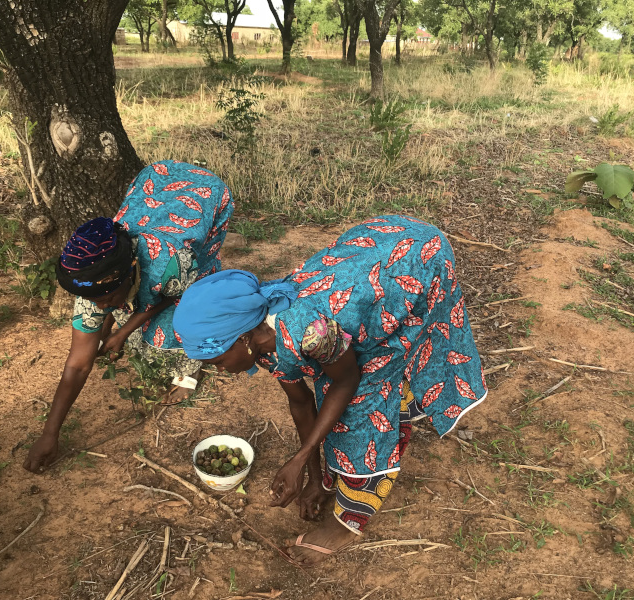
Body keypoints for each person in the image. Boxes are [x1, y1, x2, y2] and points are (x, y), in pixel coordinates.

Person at [173, 215, 487, 565]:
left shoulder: (312, 331)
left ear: (243, 338)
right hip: (371, 256)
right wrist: (314, 476)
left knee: (357, 423)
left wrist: (301, 455)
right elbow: (301, 403)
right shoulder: (262, 340)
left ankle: (348, 522)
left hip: (416, 257)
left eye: (215, 359)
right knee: (342, 394)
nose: (216, 368)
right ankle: (338, 477)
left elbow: (345, 381)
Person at [23, 160, 234, 474]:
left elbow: (177, 295)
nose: (102, 305)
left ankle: (188, 373)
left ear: (131, 272)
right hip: (156, 180)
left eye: (108, 299)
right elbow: (78, 363)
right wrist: (49, 434)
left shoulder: (169, 264)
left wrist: (122, 332)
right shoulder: (94, 281)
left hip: (206, 196)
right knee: (129, 314)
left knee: (189, 300)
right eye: (95, 301)